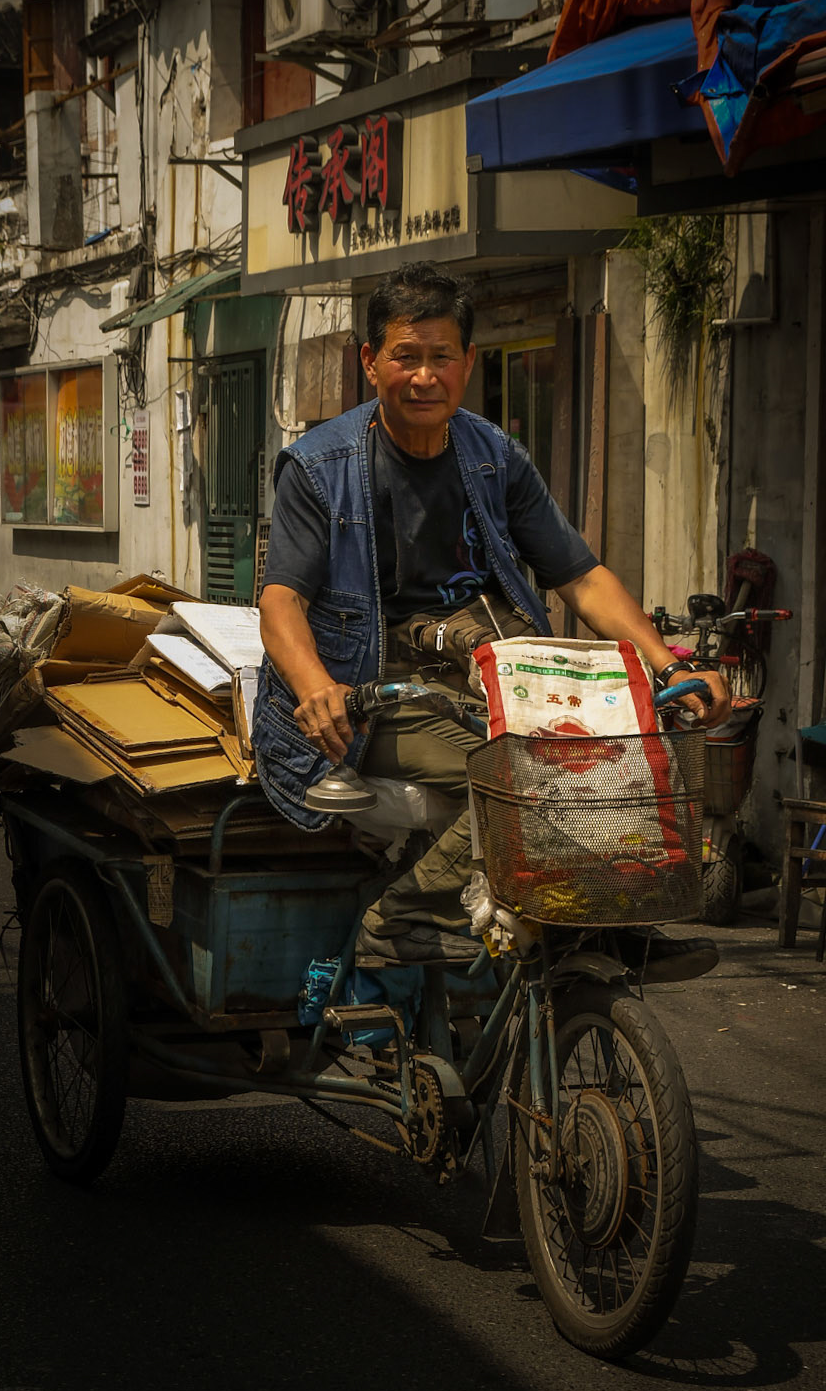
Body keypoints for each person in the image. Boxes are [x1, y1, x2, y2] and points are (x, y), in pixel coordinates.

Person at [254, 264, 729, 975]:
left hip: (487, 673)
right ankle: (402, 918)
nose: (424, 377)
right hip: (372, 694)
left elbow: (581, 576)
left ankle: (604, 927)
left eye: (441, 357)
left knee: (614, 759)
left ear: (468, 363)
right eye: (405, 357)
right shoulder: (319, 467)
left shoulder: (493, 456)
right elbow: (280, 599)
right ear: (370, 362)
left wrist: (671, 663)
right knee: (525, 777)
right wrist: (316, 686)